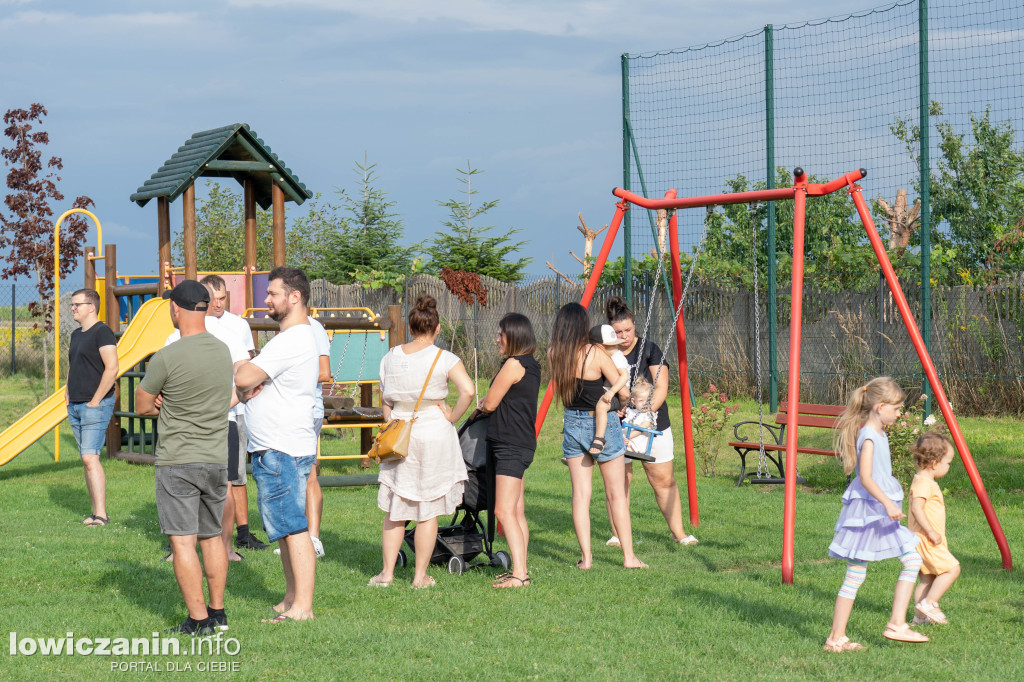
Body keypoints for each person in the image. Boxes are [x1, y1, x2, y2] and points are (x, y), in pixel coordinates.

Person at [135, 280, 234, 635]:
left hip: (178, 459)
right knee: (212, 538)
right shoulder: (223, 351)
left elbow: (142, 404)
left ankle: (197, 620)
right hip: (216, 457)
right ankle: (218, 612)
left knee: (182, 541)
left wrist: (162, 401)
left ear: (176, 309)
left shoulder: (168, 356)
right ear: (205, 307)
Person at [368, 296, 474, 589]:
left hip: (399, 431)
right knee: (427, 509)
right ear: (437, 328)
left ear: (411, 327)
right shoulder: (445, 358)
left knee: (395, 506)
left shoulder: (390, 357)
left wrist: (390, 425)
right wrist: (452, 415)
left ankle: (387, 574)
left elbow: (386, 399)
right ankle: (419, 577)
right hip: (433, 430)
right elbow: (468, 390)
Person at [235, 267, 319, 622]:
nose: (266, 300)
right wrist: (248, 383)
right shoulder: (294, 337)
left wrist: (244, 369)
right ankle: (290, 597)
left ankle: (303, 607)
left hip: (280, 447)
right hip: (282, 444)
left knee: (293, 527)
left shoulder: (291, 339)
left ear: (294, 297)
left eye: (272, 293)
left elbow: (242, 377)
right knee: (284, 528)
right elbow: (246, 386)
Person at [825, 376, 928, 652]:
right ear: (880, 407)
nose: (899, 414)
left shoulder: (879, 433)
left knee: (907, 560)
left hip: (876, 510)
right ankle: (890, 625)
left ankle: (840, 637)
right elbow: (867, 478)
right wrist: (888, 504)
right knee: (894, 564)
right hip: (871, 512)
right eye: (896, 409)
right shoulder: (869, 436)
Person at [550, 302, 646, 570]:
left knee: (580, 496)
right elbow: (624, 392)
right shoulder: (594, 352)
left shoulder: (553, 354)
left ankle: (587, 559)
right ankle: (629, 557)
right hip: (600, 423)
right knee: (616, 494)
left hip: (571, 423)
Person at [162, 278, 251, 564]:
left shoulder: (175, 338)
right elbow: (245, 378)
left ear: (179, 308)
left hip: (188, 428)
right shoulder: (228, 334)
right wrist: (222, 406)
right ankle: (223, 548)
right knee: (222, 487)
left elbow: (154, 394)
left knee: (180, 487)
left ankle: (181, 550)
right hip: (223, 421)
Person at [604, 296, 697, 547]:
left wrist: (641, 415)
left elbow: (661, 387)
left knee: (663, 480)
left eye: (628, 330)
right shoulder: (605, 354)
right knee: (619, 480)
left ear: (635, 325)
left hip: (652, 422)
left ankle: (680, 534)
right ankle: (617, 535)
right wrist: (617, 409)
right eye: (617, 332)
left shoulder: (650, 349)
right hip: (618, 424)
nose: (623, 336)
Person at [196, 275, 268, 552]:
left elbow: (246, 368)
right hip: (209, 413)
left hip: (234, 411)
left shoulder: (237, 326)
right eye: (212, 299)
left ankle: (242, 533)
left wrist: (234, 401)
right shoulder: (192, 325)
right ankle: (194, 536)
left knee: (235, 476)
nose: (217, 304)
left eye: (223, 298)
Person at [476, 313, 541, 588]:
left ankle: (520, 575)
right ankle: (519, 569)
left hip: (510, 446)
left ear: (513, 335)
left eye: (500, 334)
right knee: (517, 511)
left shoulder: (513, 364)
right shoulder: (532, 365)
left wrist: (484, 402)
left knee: (503, 511)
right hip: (522, 442)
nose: (497, 339)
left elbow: (490, 404)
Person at [66, 288, 119, 527]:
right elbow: (72, 366)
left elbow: (112, 368)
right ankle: (95, 512)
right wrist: (67, 393)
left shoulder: (102, 332)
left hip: (95, 404)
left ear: (91, 307)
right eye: (72, 304)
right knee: (87, 459)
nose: (73, 308)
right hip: (75, 404)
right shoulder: (76, 334)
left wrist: (96, 400)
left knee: (90, 457)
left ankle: (102, 516)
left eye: (77, 304)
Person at [908, 432, 960, 626]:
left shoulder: (923, 481)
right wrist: (930, 531)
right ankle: (930, 603)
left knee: (926, 579)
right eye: (947, 463)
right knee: (952, 569)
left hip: (921, 540)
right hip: (926, 540)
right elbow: (916, 508)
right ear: (934, 463)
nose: (948, 467)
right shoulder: (923, 484)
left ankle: (919, 618)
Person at [586, 324, 630, 456]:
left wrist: (611, 392)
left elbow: (625, 376)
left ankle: (599, 439)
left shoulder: (616, 356)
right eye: (611, 345)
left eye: (614, 345)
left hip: (615, 392)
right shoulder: (605, 355)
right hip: (607, 390)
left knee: (601, 406)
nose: (614, 348)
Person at [622, 377, 656, 456]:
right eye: (641, 401)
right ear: (633, 401)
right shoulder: (631, 412)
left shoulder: (649, 416)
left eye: (648, 400)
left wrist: (627, 437)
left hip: (638, 442)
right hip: (626, 439)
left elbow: (641, 429)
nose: (645, 404)